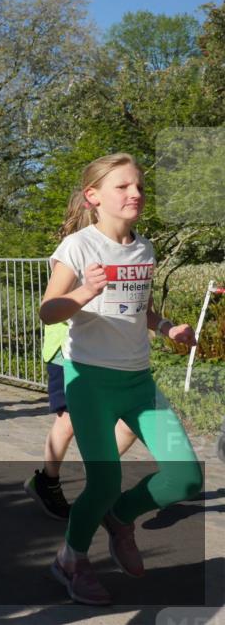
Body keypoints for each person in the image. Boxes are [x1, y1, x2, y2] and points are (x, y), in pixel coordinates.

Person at [40, 152, 202, 606]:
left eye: (140, 187)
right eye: (123, 187)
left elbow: (139, 310)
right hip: (89, 381)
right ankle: (70, 560)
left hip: (138, 381)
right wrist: (84, 291)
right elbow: (49, 310)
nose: (135, 194)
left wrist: (166, 327)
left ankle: (120, 517)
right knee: (104, 479)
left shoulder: (143, 248)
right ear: (94, 197)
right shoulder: (78, 247)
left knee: (186, 477)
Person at [25, 319, 137, 519]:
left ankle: (98, 471)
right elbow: (52, 306)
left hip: (105, 353)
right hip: (67, 352)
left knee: (128, 417)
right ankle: (47, 482)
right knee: (67, 421)